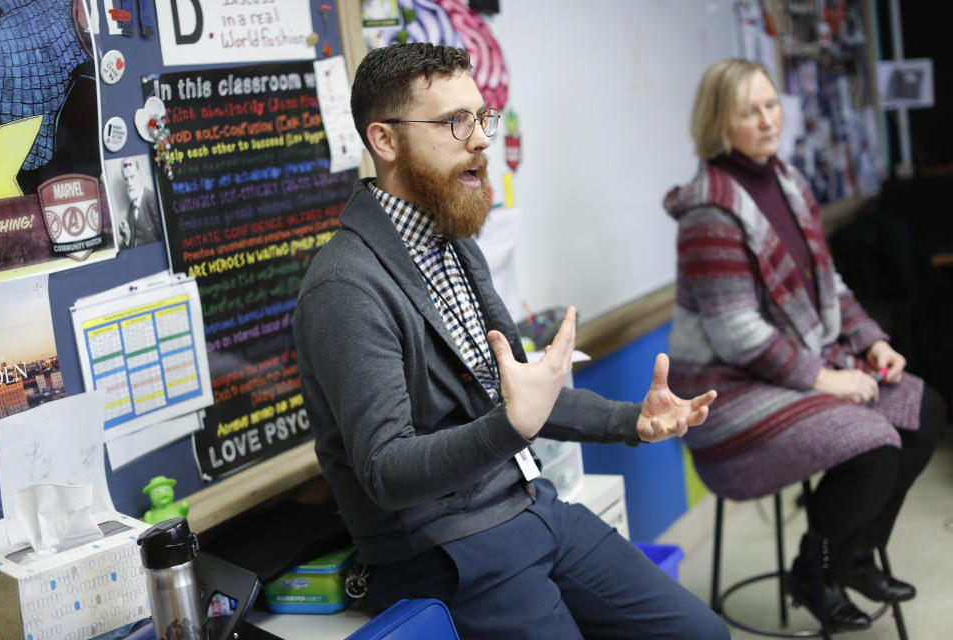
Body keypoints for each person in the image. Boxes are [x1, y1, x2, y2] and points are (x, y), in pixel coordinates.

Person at [294, 43, 728, 639]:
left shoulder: (455, 243)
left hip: (529, 504)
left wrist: (634, 421)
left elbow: (524, 391)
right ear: (385, 142)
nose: (480, 140)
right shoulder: (346, 286)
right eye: (454, 122)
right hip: (444, 553)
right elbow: (386, 470)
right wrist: (511, 427)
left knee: (700, 634)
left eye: (481, 118)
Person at [664, 58, 944, 632]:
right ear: (720, 122)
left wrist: (870, 343)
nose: (769, 120)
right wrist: (826, 378)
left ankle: (853, 558)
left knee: (926, 409)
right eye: (751, 111)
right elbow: (737, 335)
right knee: (871, 445)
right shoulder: (708, 212)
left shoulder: (787, 181)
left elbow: (828, 286)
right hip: (727, 391)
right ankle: (816, 571)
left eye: (772, 104)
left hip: (792, 365)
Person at [116, 158, 162, 248]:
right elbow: (133, 241)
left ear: (140, 176)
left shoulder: (152, 200)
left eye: (132, 177)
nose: (129, 183)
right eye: (126, 179)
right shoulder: (131, 208)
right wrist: (127, 237)